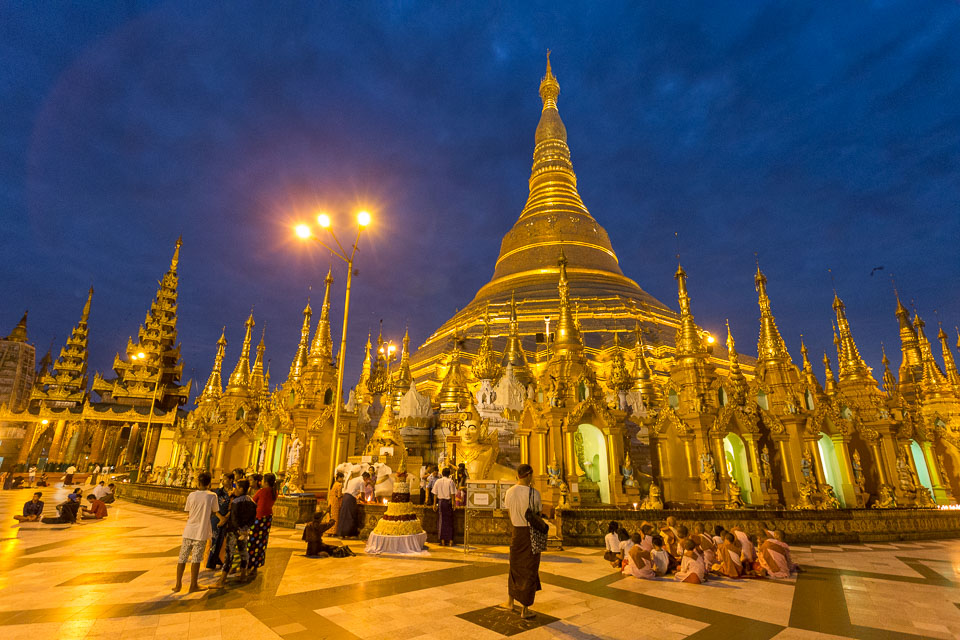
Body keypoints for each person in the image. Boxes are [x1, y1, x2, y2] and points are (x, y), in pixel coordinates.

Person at [500, 464, 541, 620]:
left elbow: (510, 512)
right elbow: (537, 513)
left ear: (518, 475)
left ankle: (510, 601)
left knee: (515, 566)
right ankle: (525, 609)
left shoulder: (509, 492)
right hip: (530, 533)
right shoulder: (534, 493)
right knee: (529, 569)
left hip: (516, 532)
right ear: (529, 475)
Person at [175, 471, 218, 593]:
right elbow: (215, 511)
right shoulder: (212, 496)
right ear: (209, 483)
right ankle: (193, 584)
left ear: (198, 482)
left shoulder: (191, 495)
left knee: (182, 557)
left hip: (189, 530)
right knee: (196, 558)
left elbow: (188, 510)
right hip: (201, 531)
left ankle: (178, 584)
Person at [215, 479, 256, 587]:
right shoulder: (251, 501)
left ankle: (222, 580)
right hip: (245, 532)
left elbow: (234, 518)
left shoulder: (236, 502)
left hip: (234, 531)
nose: (235, 490)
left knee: (229, 554)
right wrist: (245, 529)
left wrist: (238, 529)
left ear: (241, 489)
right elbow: (253, 518)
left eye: (236, 487)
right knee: (243, 552)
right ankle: (243, 575)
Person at [248, 473, 278, 578]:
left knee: (251, 541)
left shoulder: (262, 491)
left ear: (265, 481)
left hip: (258, 518)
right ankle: (256, 566)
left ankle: (248, 565)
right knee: (261, 542)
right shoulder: (275, 492)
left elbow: (251, 502)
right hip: (267, 518)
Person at [206, 473, 234, 571]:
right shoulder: (218, 492)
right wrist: (220, 517)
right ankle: (211, 563)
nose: (223, 481)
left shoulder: (234, 493)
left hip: (228, 520)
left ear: (231, 480)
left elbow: (233, 507)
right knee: (214, 541)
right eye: (222, 479)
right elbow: (212, 506)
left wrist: (225, 518)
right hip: (216, 518)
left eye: (225, 479)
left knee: (224, 542)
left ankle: (222, 562)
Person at [337, 471, 368, 538]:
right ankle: (349, 533)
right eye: (367, 479)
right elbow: (363, 495)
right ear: (365, 477)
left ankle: (341, 533)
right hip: (350, 499)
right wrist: (364, 501)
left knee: (344, 515)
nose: (367, 481)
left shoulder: (354, 479)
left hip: (345, 496)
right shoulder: (362, 481)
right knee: (350, 515)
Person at [432, 467, 457, 546]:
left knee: (441, 521)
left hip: (441, 503)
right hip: (448, 503)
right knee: (449, 521)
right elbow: (453, 493)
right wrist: (454, 503)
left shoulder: (438, 481)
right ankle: (450, 541)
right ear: (449, 474)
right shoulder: (451, 481)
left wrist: (434, 504)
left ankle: (442, 541)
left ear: (442, 473)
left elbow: (435, 494)